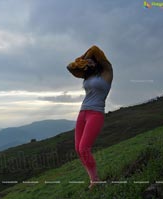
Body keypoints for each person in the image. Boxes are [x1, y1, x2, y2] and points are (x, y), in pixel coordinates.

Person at [67, 45, 113, 190]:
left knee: (84, 148)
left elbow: (95, 49)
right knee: (78, 149)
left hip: (96, 113)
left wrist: (88, 57)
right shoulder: (88, 74)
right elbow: (70, 67)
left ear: (98, 60)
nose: (90, 62)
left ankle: (95, 180)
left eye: (92, 60)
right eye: (88, 61)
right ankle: (93, 179)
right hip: (83, 112)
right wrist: (84, 62)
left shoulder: (107, 72)